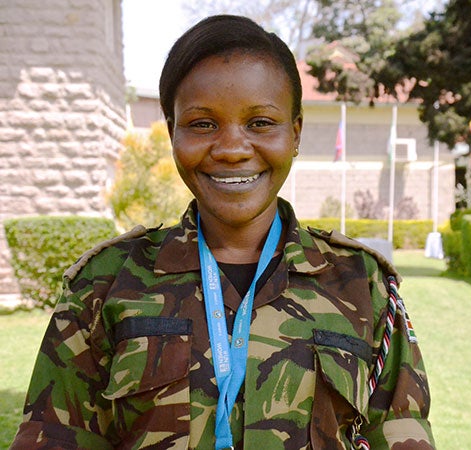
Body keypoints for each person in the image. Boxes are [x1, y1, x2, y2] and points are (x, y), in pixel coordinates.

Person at [11, 14, 435, 450]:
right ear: (171, 129)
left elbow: (400, 430)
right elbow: (54, 436)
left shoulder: (360, 283)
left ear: (296, 132)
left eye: (260, 123)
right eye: (202, 124)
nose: (232, 149)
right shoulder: (104, 284)